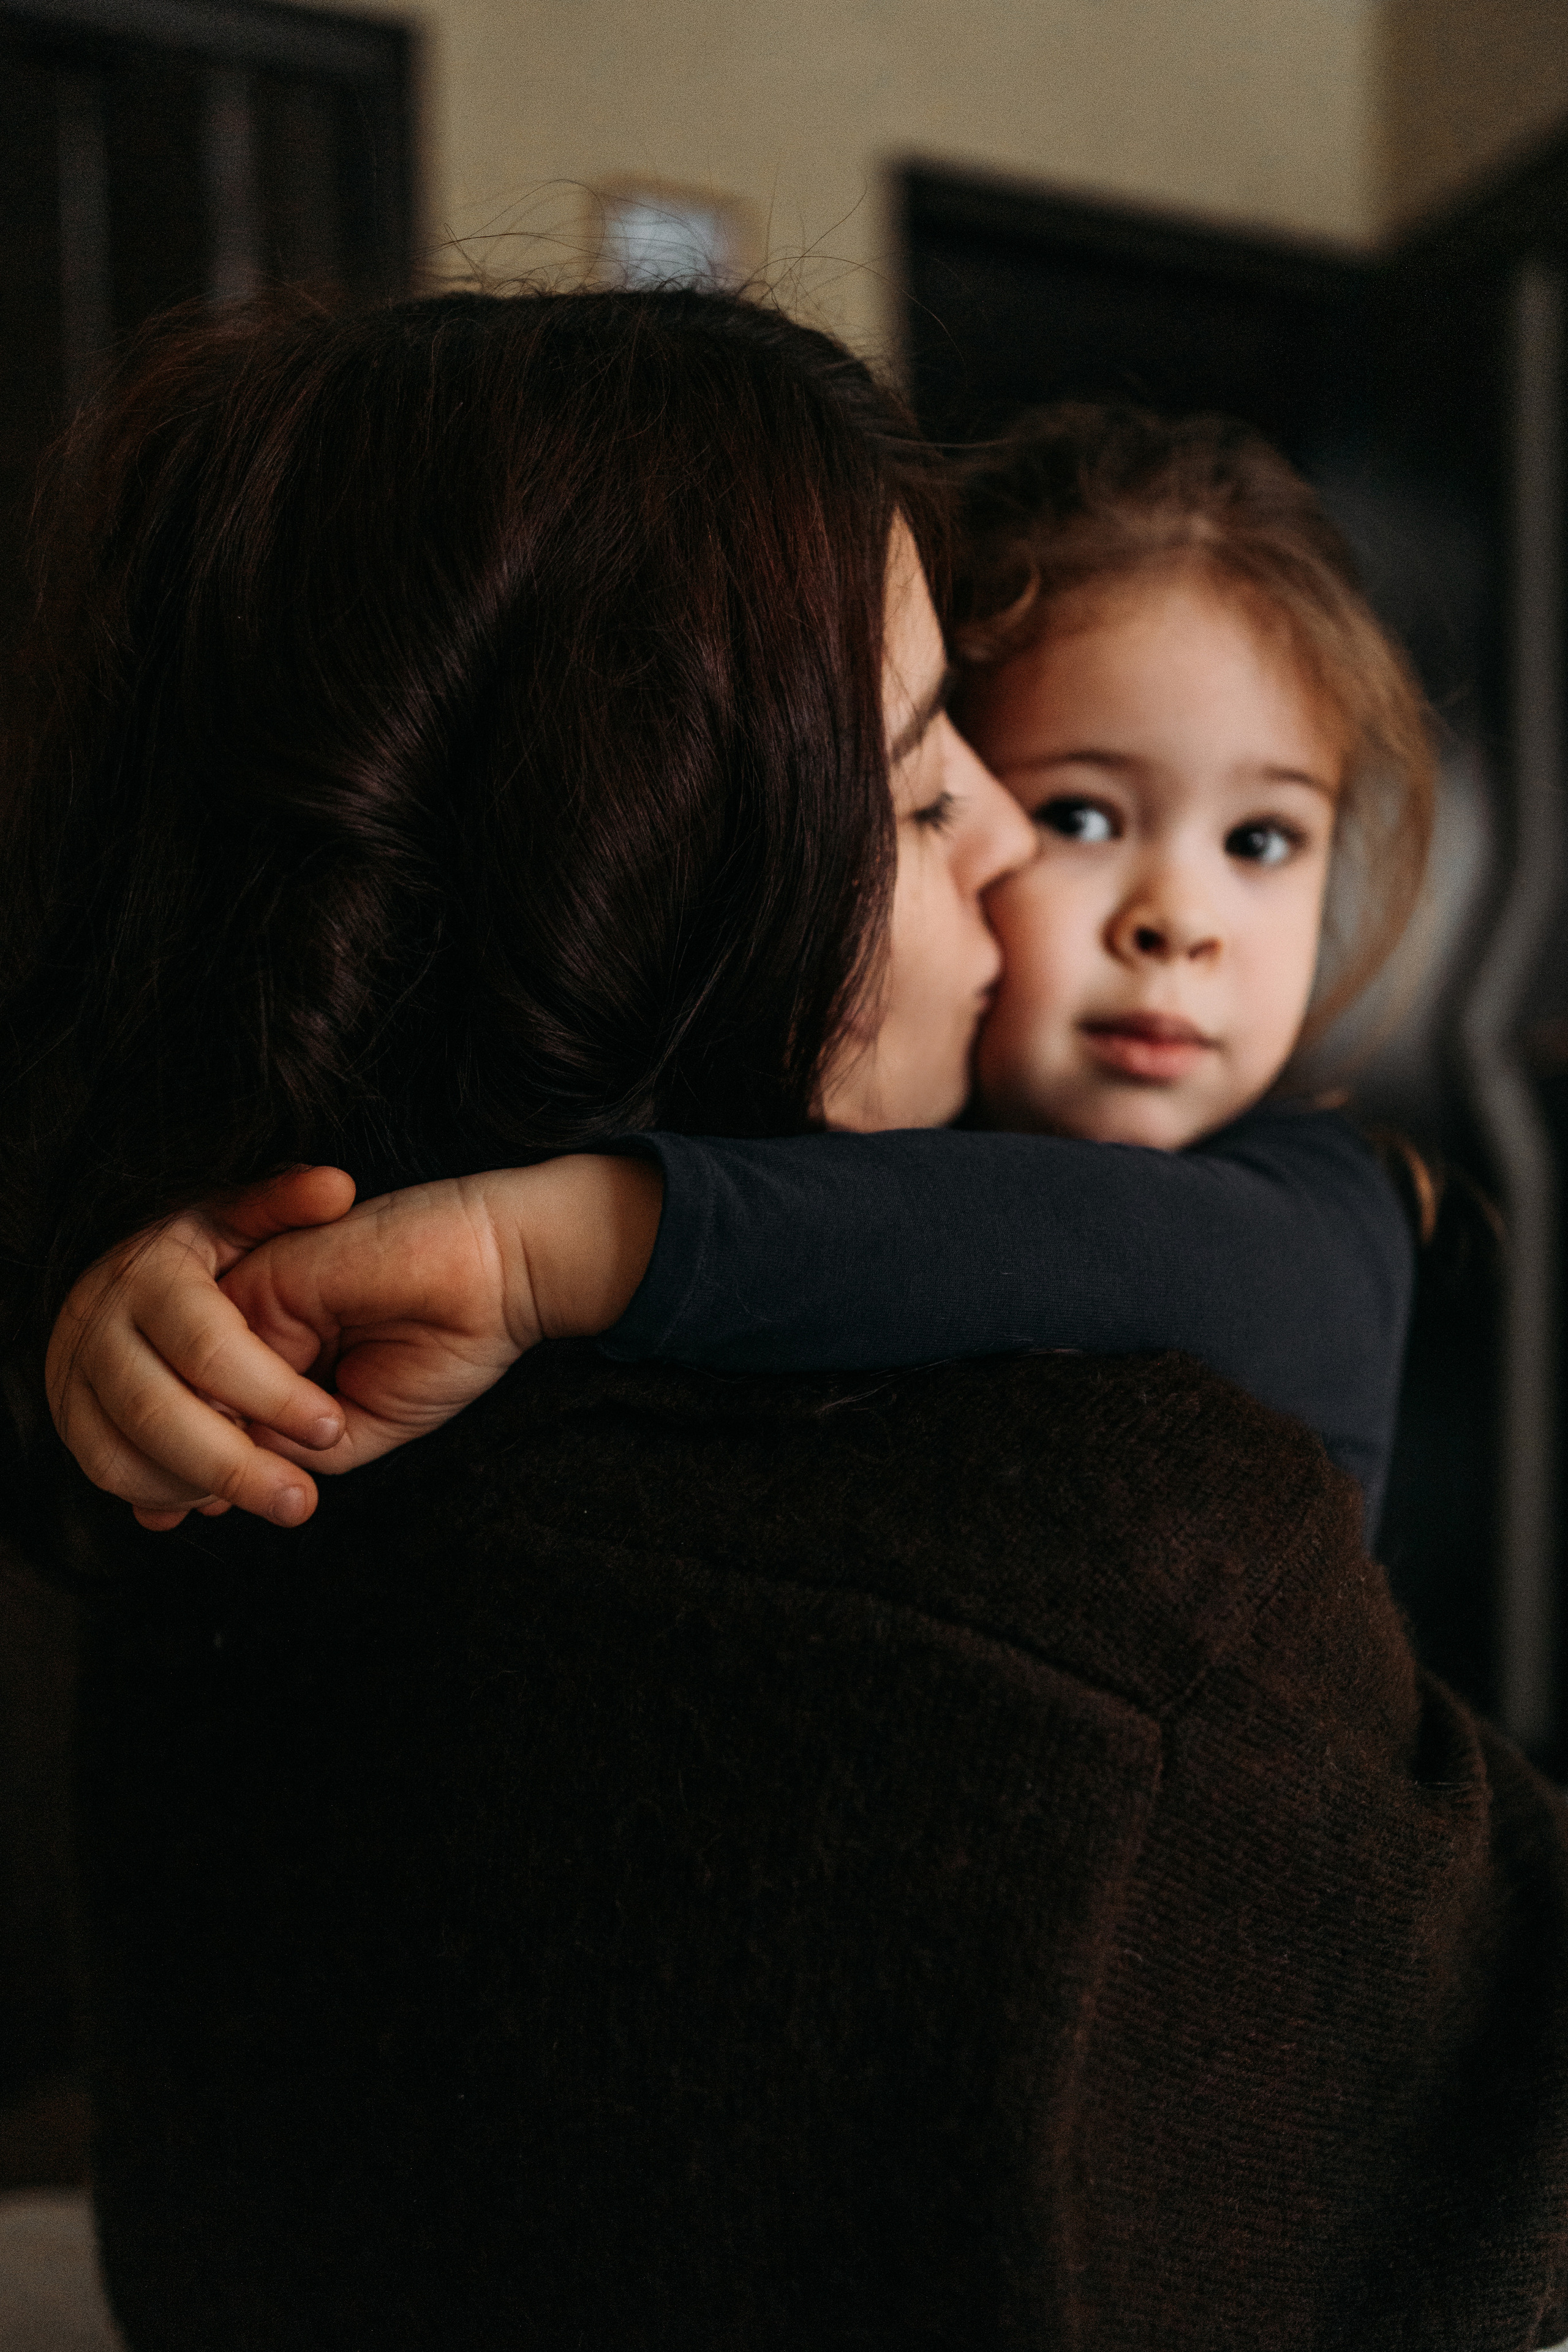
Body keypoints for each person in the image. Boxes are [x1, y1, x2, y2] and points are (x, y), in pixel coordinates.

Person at [5, 288, 1568, 2347]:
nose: (1061, 879)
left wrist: (513, 1246)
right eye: (953, 793)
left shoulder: (1287, 1212)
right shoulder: (1080, 1569)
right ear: (668, 867)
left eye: (1269, 838)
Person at [53, 407, 1430, 1525]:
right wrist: (201, 1284)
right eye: (1076, 812)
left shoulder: (1319, 1211)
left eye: (1262, 837)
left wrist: (547, 1247)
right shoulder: (794, 1111)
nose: (1175, 919)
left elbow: (1110, 1243)